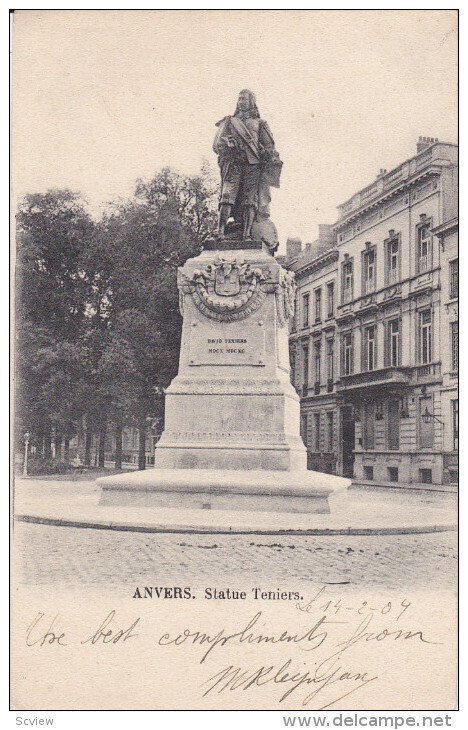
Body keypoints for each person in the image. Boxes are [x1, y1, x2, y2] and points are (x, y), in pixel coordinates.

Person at [213, 89, 282, 241]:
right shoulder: (229, 122)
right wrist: (227, 144)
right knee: (226, 196)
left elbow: (269, 147)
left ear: (251, 102)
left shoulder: (260, 123)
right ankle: (220, 232)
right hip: (234, 164)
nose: (241, 102)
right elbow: (217, 145)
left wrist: (268, 154)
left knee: (249, 201)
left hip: (253, 165)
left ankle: (246, 235)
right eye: (239, 99)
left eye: (244, 99)